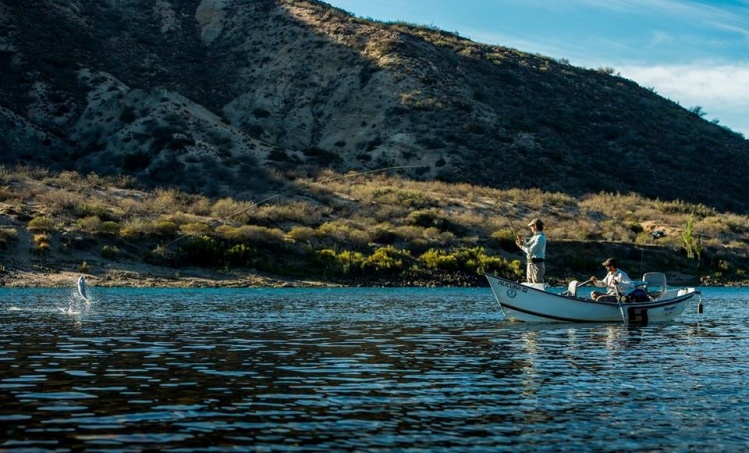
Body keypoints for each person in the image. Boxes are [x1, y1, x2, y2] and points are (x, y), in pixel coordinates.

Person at [515, 218, 546, 283]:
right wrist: (522, 240)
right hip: (530, 263)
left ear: (535, 226)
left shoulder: (540, 238)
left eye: (531, 226)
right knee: (530, 284)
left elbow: (530, 251)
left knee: (537, 285)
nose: (530, 228)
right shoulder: (534, 237)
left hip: (537, 265)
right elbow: (528, 245)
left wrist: (520, 246)